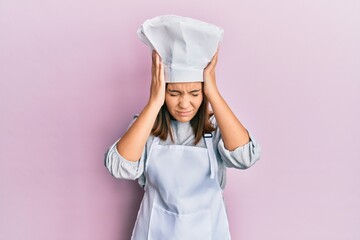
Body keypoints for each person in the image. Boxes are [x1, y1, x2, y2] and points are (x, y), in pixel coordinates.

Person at [104, 15, 261, 240]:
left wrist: (213, 92)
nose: (184, 104)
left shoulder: (216, 127)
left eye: (195, 93)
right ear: (162, 89)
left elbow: (246, 157)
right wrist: (153, 102)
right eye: (174, 93)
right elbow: (118, 167)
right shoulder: (147, 126)